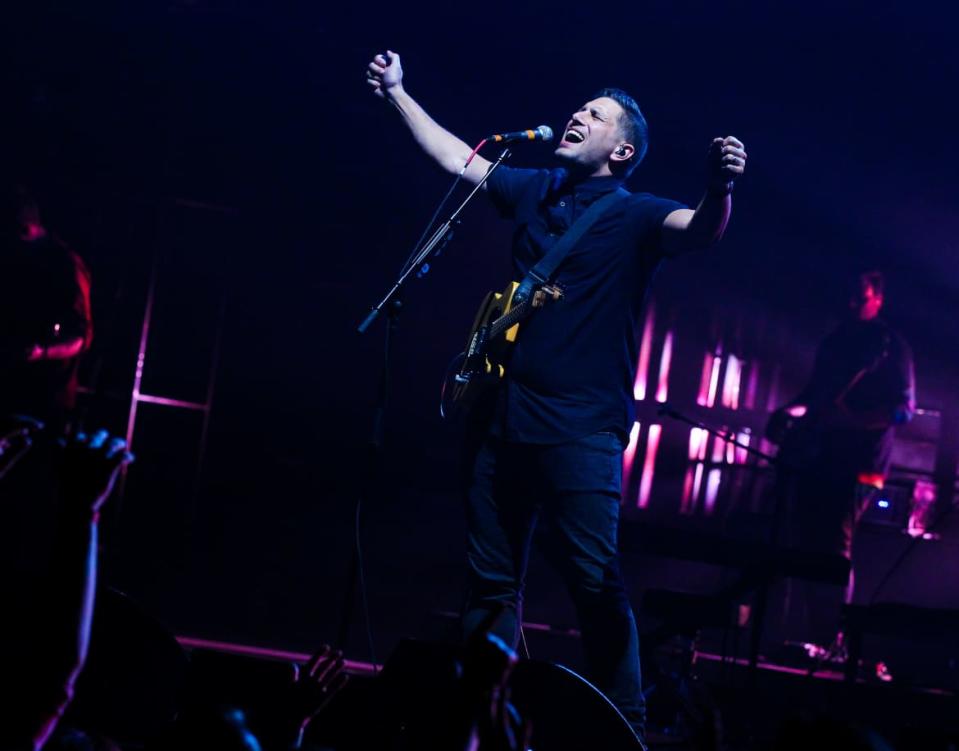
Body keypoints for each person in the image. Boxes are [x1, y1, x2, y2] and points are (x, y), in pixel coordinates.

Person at [367, 50, 746, 739]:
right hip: (499, 420)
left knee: (594, 583)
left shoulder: (636, 215)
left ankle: (625, 729)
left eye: (595, 116)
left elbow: (698, 231)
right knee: (488, 582)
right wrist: (397, 93)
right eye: (579, 109)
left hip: (579, 430)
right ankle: (483, 717)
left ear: (622, 148)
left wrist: (719, 187)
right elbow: (460, 162)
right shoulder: (535, 188)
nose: (577, 116)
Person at [767, 270, 916, 653]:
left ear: (877, 300)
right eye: (849, 298)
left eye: (860, 298)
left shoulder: (891, 346)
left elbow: (904, 410)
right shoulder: (835, 342)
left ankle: (831, 638)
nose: (852, 305)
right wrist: (788, 412)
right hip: (822, 458)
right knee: (807, 541)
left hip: (863, 463)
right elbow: (814, 396)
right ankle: (807, 633)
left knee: (835, 543)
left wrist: (854, 421)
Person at [0, 184, 93, 433]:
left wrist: (39, 352)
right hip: (12, 397)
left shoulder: (64, 266)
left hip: (46, 406)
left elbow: (80, 338)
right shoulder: (17, 260)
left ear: (25, 229)